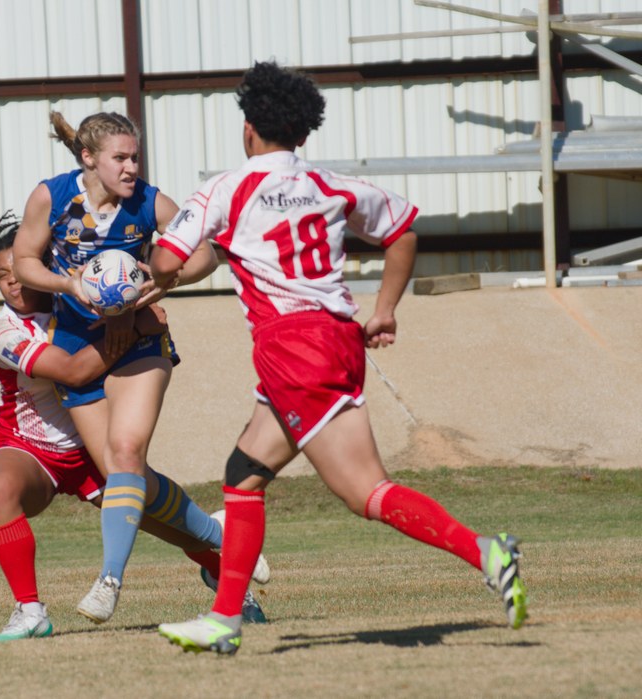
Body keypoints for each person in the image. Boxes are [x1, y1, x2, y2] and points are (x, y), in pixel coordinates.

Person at [152, 60, 528, 655]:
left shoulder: (227, 188)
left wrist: (139, 267)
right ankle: (224, 619)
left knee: (365, 492)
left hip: (293, 348)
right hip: (336, 338)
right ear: (303, 134)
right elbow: (403, 227)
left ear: (248, 128)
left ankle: (485, 551)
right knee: (243, 474)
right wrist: (384, 309)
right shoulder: (330, 185)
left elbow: (168, 263)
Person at [11, 111, 269, 625]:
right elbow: (24, 260)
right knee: (120, 477)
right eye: (120, 158)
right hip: (78, 342)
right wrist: (70, 285)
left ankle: (109, 582)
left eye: (135, 157)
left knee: (126, 452)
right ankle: (219, 537)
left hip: (141, 339)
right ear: (89, 158)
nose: (131, 167)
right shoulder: (52, 196)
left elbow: (204, 255)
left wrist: (164, 278)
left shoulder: (150, 201)